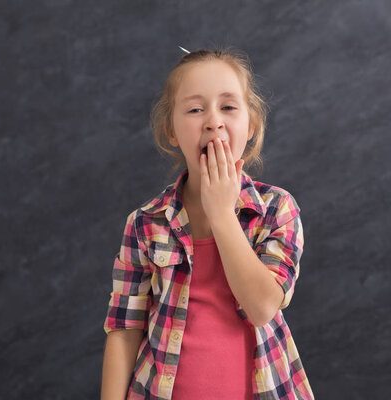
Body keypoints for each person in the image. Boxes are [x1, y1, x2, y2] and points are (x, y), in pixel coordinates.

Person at [100, 47, 314, 400]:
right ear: (171, 131)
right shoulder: (145, 224)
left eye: (228, 107)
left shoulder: (278, 209)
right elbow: (124, 330)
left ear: (251, 126)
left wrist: (221, 215)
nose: (213, 121)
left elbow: (262, 307)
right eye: (196, 109)